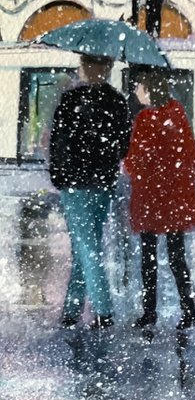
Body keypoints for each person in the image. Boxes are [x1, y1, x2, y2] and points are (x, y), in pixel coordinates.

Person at [49, 55, 130, 330]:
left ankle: (103, 310)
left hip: (75, 183)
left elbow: (58, 144)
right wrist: (105, 162)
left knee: (86, 246)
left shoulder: (70, 101)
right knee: (87, 245)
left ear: (84, 67)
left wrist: (60, 176)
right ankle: (72, 309)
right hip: (102, 182)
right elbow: (123, 145)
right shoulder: (117, 102)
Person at [124, 71, 195, 330]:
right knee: (176, 256)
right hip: (173, 198)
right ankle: (188, 310)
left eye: (139, 87)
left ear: (148, 90)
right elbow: (190, 155)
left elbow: (135, 160)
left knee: (149, 256)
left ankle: (149, 312)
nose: (136, 91)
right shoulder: (177, 115)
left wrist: (134, 166)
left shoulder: (145, 119)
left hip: (151, 197)